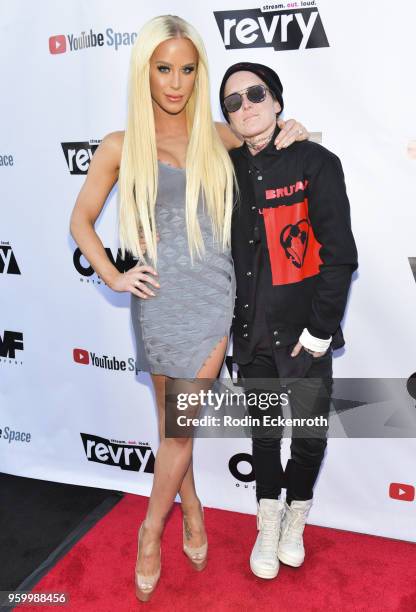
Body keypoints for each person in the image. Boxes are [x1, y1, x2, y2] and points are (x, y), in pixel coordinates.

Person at [69, 16, 307, 601]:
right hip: (155, 304)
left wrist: (295, 130)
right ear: (145, 70)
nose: (175, 82)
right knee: (172, 428)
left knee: (179, 429)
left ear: (199, 73)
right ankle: (192, 503)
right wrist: (115, 275)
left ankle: (150, 532)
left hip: (212, 301)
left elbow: (284, 158)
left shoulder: (220, 136)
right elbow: (80, 221)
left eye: (187, 69)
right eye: (164, 68)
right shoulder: (121, 145)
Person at [219, 62, 358, 579]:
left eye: (255, 94)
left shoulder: (317, 162)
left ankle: (295, 517)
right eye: (233, 102)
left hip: (306, 335)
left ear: (277, 101)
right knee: (263, 436)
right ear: (227, 118)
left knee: (309, 437)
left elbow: (339, 255)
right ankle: (267, 521)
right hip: (252, 334)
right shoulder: (224, 169)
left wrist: (320, 331)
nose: (246, 105)